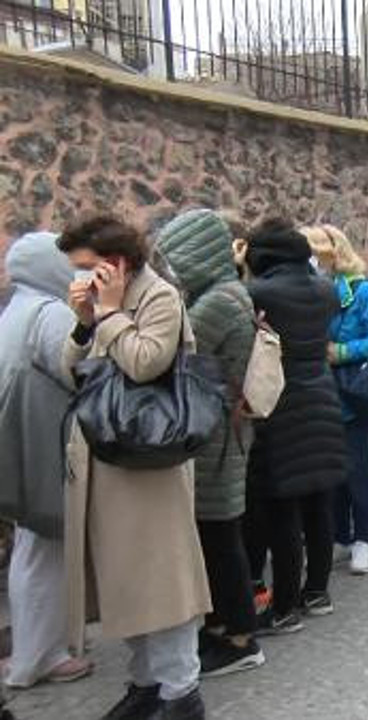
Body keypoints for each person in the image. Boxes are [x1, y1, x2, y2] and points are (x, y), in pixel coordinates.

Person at [59, 215, 210, 719]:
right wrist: (84, 321)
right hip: (108, 462)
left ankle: (180, 692)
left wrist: (106, 316)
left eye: (85, 267)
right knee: (126, 582)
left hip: (151, 461)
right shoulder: (102, 303)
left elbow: (147, 361)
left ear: (115, 264)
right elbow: (70, 369)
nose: (78, 277)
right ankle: (145, 682)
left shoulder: (160, 297)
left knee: (163, 582)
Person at [155, 210, 265, 678]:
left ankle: (241, 638)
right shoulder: (225, 292)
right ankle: (223, 626)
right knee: (217, 536)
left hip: (216, 437)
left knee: (221, 538)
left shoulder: (216, 301)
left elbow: (172, 353)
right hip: (221, 432)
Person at [0, 232, 95, 689]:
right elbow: (78, 369)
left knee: (29, 550)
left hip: (20, 441)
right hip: (46, 443)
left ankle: (30, 649)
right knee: (48, 552)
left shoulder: (15, 308)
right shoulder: (51, 312)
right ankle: (43, 656)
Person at [243, 218, 346, 634]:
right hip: (322, 392)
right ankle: (316, 590)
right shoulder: (325, 288)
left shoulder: (259, 292)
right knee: (319, 500)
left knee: (282, 506)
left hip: (280, 400)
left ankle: (284, 607)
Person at [304, 225, 368, 576]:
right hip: (319, 395)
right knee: (331, 472)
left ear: (335, 250)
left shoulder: (361, 290)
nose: (311, 253)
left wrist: (342, 351)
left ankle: (364, 538)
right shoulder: (305, 293)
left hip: (353, 393)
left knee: (357, 468)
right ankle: (340, 534)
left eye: (317, 245)